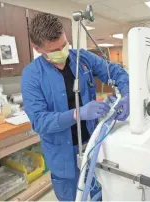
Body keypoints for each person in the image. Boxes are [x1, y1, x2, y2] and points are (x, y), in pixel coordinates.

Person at [21, 13, 129, 201]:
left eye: (64, 44)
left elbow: (117, 73)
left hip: (93, 146)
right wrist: (78, 114)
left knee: (100, 195)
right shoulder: (32, 76)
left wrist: (127, 96)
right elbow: (39, 122)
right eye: (55, 50)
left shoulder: (82, 59)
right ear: (37, 48)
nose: (63, 51)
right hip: (63, 156)